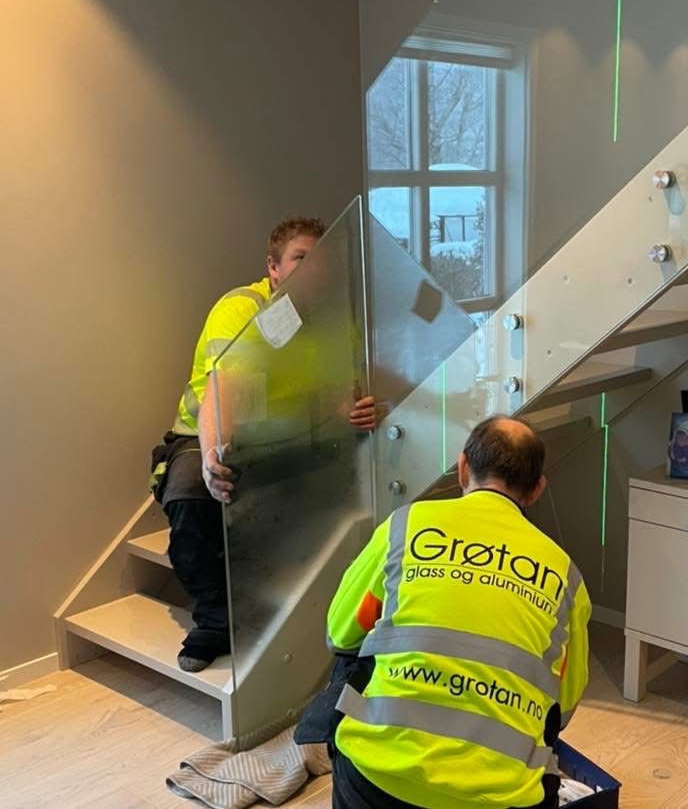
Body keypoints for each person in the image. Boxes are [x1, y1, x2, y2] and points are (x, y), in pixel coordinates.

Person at [322, 416, 591, 809]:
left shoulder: (406, 526)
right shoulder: (566, 576)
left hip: (376, 778)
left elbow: (339, 633)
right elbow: (563, 708)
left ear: (462, 467)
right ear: (536, 490)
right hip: (499, 797)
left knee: (353, 658)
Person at [149, 216, 377, 673]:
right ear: (274, 267)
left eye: (321, 260)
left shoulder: (335, 323)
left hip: (288, 443)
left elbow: (339, 391)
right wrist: (213, 455)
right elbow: (224, 387)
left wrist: (354, 410)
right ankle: (215, 621)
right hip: (207, 435)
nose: (313, 268)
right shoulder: (242, 308)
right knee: (191, 492)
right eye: (300, 258)